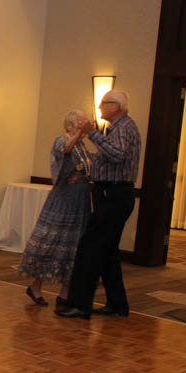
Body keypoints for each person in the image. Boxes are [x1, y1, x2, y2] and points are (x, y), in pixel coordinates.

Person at [57, 90, 141, 319]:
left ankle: (80, 305)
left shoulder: (123, 128)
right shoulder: (116, 128)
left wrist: (92, 133)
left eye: (105, 103)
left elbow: (117, 155)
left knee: (90, 249)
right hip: (112, 193)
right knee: (108, 252)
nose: (100, 107)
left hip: (114, 194)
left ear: (117, 107)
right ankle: (117, 304)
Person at [18, 111, 92, 308]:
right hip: (63, 200)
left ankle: (65, 292)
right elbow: (65, 150)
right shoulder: (62, 140)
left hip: (80, 201)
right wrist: (78, 135)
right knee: (52, 241)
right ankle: (36, 286)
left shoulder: (83, 147)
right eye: (79, 124)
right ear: (69, 126)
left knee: (73, 245)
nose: (82, 127)